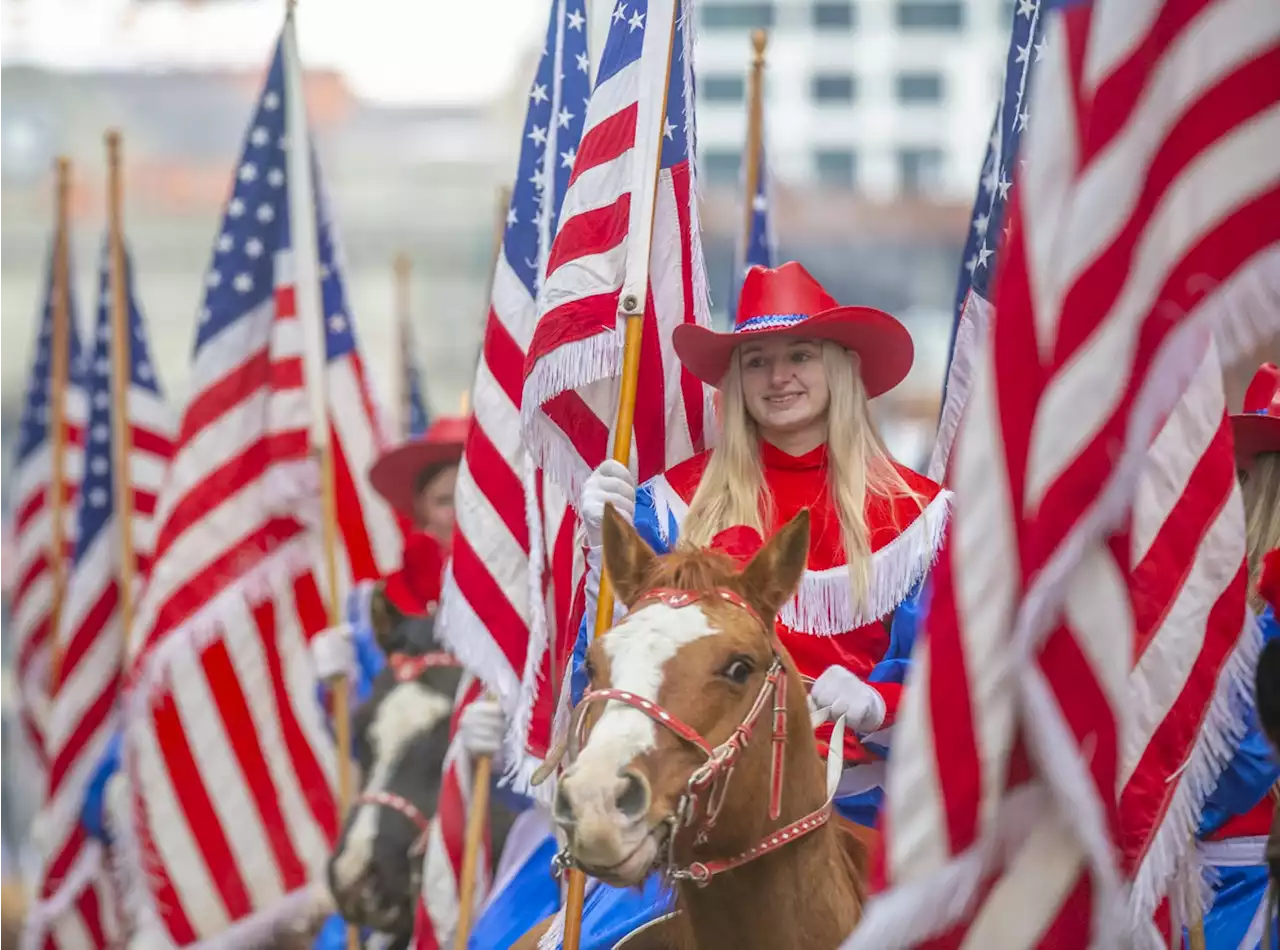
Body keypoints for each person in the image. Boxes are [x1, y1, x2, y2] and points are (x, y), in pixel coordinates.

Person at [474, 262, 952, 948]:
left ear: (841, 367)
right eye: (755, 361)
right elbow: (603, 672)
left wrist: (881, 701)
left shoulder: (922, 517)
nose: (778, 376)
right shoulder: (668, 506)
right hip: (690, 806)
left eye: (799, 356)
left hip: (871, 801)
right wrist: (598, 553)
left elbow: (949, 667)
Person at [1191, 363, 1280, 949]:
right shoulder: (1230, 592)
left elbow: (1252, 754)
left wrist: (1165, 825)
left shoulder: (1262, 598)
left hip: (1241, 876)